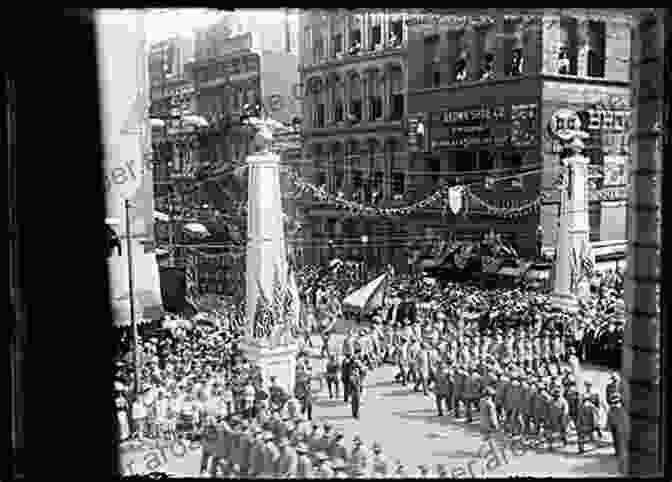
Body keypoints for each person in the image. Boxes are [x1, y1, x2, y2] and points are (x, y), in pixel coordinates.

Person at [607, 394, 627, 464]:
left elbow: (609, 418)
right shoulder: (620, 408)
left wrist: (608, 425)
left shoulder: (618, 408)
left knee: (618, 440)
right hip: (617, 427)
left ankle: (619, 452)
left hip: (617, 427)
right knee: (618, 440)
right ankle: (619, 452)